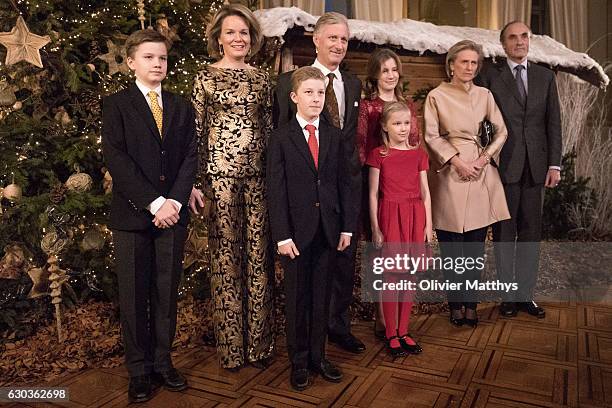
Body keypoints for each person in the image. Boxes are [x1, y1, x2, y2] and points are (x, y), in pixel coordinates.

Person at [102, 30, 196, 403]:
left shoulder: (179, 105)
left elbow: (190, 155)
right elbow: (117, 160)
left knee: (164, 294)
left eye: (163, 58)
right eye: (149, 57)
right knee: (134, 295)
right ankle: (138, 369)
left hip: (173, 215)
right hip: (133, 215)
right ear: (131, 62)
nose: (158, 63)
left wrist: (174, 202)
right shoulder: (116, 105)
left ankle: (162, 361)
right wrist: (155, 203)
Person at [273, 11, 365, 355]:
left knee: (341, 262)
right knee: (306, 274)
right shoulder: (288, 83)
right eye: (333, 38)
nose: (339, 44)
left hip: (344, 187)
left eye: (344, 39)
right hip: (304, 195)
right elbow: (283, 138)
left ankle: (337, 327)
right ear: (316, 39)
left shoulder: (352, 83)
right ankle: (305, 345)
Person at [189, 3, 274, 370]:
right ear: (219, 38)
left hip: (258, 181)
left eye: (243, 32)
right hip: (219, 182)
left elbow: (270, 131)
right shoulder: (204, 77)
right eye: (231, 32)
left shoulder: (261, 78)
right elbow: (195, 133)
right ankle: (232, 350)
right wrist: (195, 183)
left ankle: (259, 347)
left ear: (251, 38)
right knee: (226, 263)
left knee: (258, 261)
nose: (238, 38)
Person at [267, 66, 356, 391]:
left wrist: (347, 227)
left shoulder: (334, 135)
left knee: (322, 298)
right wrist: (282, 234)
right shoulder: (281, 138)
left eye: (320, 93)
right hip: (295, 235)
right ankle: (300, 360)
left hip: (329, 231)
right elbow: (275, 190)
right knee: (297, 299)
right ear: (294, 97)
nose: (316, 98)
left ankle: (319, 356)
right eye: (309, 92)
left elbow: (346, 185)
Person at [476, 21, 562, 319]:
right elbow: (482, 123)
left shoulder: (545, 76)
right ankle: (507, 296)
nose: (519, 41)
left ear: (530, 40)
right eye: (512, 37)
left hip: (537, 167)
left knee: (531, 233)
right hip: (505, 165)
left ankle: (526, 295)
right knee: (504, 232)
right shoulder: (490, 76)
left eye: (524, 36)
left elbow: (553, 123)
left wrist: (554, 163)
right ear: (503, 44)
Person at [423, 40, 510, 328]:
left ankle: (471, 305)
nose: (469, 68)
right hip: (450, 173)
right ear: (451, 65)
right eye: (464, 62)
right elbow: (431, 136)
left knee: (474, 247)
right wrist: (457, 161)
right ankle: (455, 304)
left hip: (480, 172)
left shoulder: (485, 95)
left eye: (474, 63)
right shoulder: (436, 96)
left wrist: (483, 160)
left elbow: (501, 131)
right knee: (452, 248)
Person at [356, 48, 421, 339]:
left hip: (404, 192)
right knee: (381, 253)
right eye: (384, 70)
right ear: (375, 75)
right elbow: (361, 146)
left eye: (394, 69)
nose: (391, 75)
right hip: (377, 186)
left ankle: (398, 322)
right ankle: (382, 317)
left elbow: (414, 143)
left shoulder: (407, 105)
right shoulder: (368, 106)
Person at [367, 101, 431, 357]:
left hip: (415, 215)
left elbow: (426, 192)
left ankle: (404, 331)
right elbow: (372, 194)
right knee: (392, 277)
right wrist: (376, 228)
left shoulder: (418, 154)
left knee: (410, 276)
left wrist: (429, 225)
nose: (403, 128)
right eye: (397, 123)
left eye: (406, 123)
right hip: (390, 216)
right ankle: (391, 332)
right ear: (385, 126)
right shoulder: (378, 155)